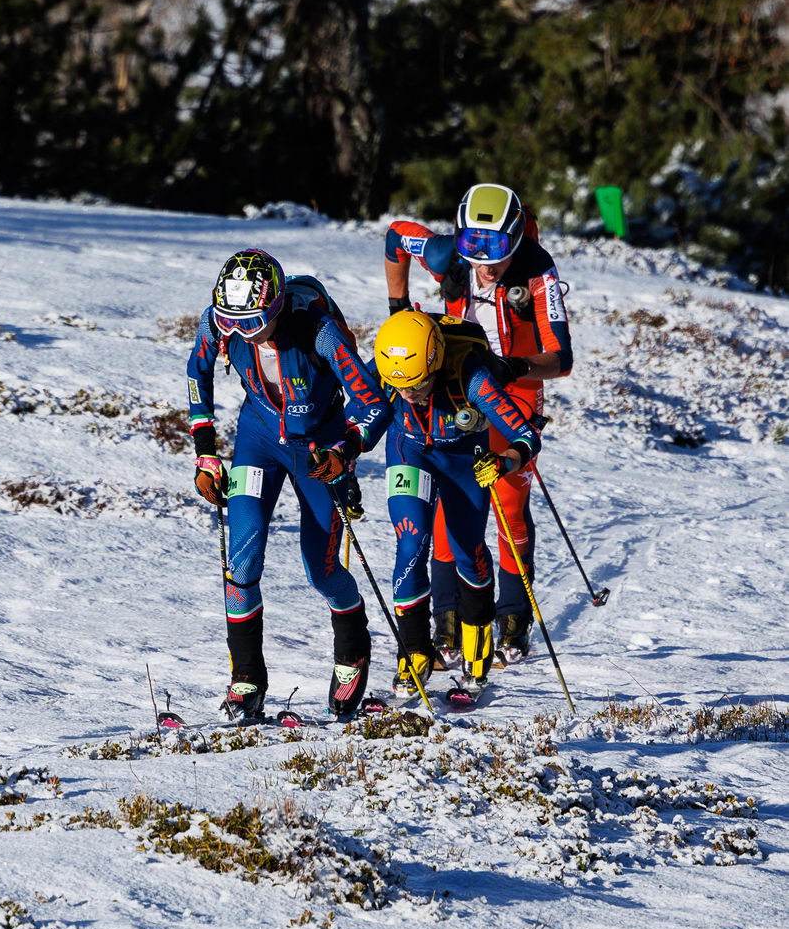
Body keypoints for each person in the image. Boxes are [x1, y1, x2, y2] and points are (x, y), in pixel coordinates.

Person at [185, 249, 390, 722]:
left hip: (318, 448)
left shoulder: (320, 332)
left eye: (252, 322)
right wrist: (205, 449)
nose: (239, 333)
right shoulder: (220, 320)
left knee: (321, 569)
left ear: (276, 307)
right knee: (242, 556)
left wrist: (347, 449)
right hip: (258, 439)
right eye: (230, 322)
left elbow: (374, 404)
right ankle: (247, 677)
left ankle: (352, 652)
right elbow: (197, 374)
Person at [384, 182, 572, 664]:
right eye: (475, 252)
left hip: (515, 381)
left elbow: (561, 357)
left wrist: (515, 366)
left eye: (498, 254)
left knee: (508, 499)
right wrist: (398, 306)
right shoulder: (449, 255)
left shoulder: (537, 269)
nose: (485, 266)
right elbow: (396, 237)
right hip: (449, 385)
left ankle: (513, 615)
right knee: (453, 500)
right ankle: (449, 615)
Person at [359, 310, 541, 710]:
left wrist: (506, 460)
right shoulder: (386, 368)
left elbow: (525, 434)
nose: (409, 394)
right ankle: (415, 652)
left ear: (435, 363)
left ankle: (477, 655)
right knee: (411, 543)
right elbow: (356, 413)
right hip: (409, 450)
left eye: (419, 384)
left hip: (463, 457)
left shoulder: (470, 373)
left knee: (468, 550)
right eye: (399, 387)